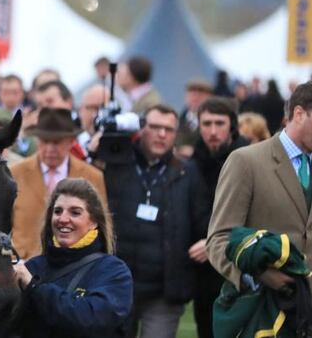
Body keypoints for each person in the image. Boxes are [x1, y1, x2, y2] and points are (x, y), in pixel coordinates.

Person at [207, 81, 312, 333]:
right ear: (298, 114)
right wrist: (257, 277)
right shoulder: (246, 161)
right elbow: (219, 239)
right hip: (260, 315)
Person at [102, 104, 209, 338]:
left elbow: (203, 221)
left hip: (165, 290)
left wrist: (208, 242)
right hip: (117, 284)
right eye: (155, 127)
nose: (162, 134)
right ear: (141, 129)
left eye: (168, 129)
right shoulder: (117, 165)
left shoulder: (188, 173)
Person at [12, 178, 133, 337]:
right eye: (57, 211)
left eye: (75, 212)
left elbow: (91, 320)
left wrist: (35, 288)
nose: (63, 219)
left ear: (94, 222)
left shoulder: (114, 271)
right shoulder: (33, 267)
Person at [11, 108, 108, 260]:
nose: (50, 149)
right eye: (44, 141)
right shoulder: (15, 174)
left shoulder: (92, 176)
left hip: (74, 269)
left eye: (57, 142)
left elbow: (101, 227)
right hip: (24, 266)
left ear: (71, 142)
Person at [188, 97, 249, 338]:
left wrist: (214, 243)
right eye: (207, 123)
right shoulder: (192, 163)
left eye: (219, 123)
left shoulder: (247, 159)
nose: (213, 131)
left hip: (238, 266)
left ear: (232, 126)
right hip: (201, 271)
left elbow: (258, 213)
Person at [175, 79, 212, 159]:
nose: (196, 97)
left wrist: (195, 151)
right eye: (192, 94)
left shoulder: (214, 123)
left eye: (201, 94)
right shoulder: (176, 120)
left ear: (210, 97)